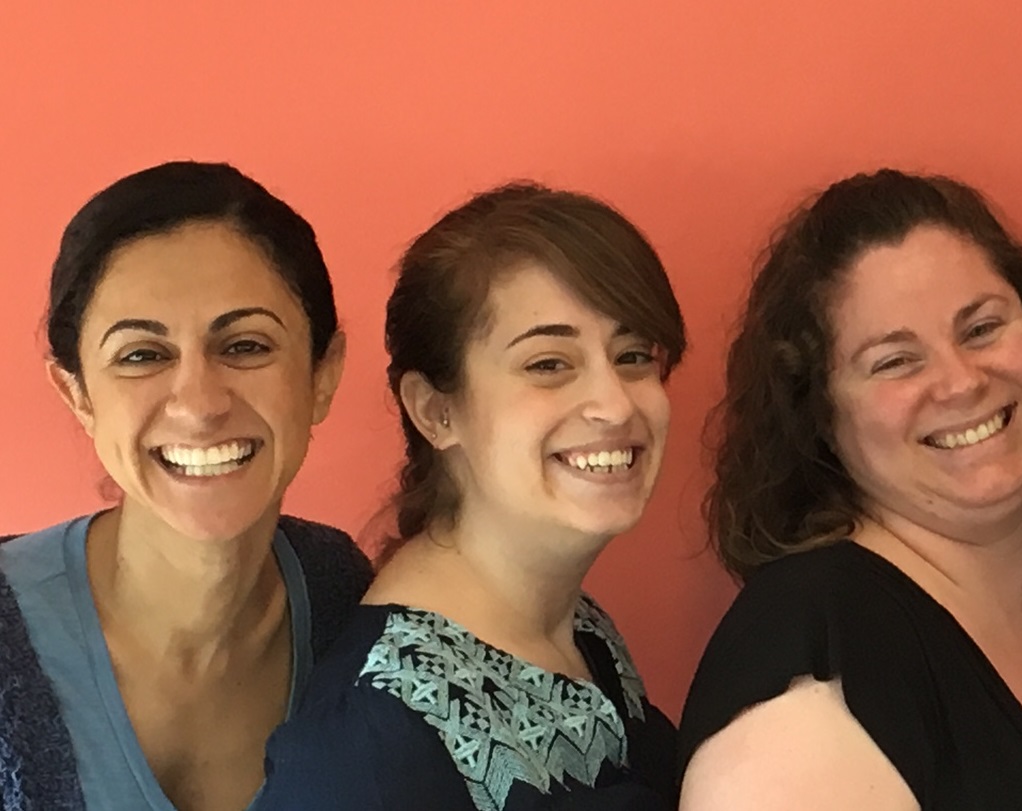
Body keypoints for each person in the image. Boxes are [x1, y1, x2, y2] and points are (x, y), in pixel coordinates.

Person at [676, 169, 1022, 810]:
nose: (961, 382)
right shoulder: (810, 661)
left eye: (982, 328)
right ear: (819, 415)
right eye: (895, 361)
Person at [252, 182, 684, 810]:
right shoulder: (366, 741)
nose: (615, 404)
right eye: (548, 364)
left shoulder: (579, 628)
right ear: (436, 411)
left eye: (634, 355)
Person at [0, 160, 371, 811]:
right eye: (142, 355)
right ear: (78, 394)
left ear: (323, 374)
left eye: (246, 345)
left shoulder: (343, 595)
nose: (200, 404)